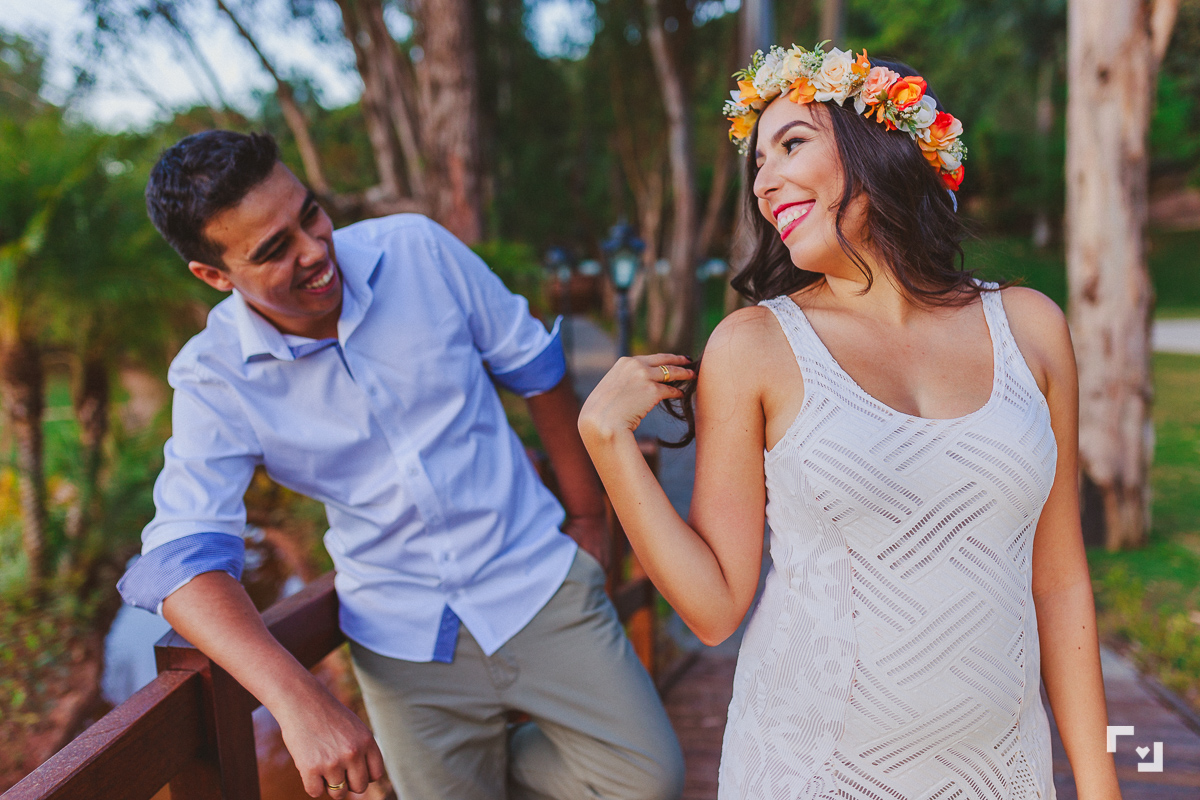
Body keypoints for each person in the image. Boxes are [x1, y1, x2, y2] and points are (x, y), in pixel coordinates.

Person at [579, 45, 1122, 799]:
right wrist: (607, 443)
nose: (765, 183)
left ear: (881, 144)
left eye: (792, 143)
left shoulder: (1031, 328)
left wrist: (1102, 785)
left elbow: (1060, 583)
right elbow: (712, 610)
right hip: (813, 770)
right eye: (757, 163)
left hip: (1000, 771)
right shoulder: (754, 346)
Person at [118, 130, 684, 800]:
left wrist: (588, 515)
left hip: (535, 580)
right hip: (401, 637)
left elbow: (535, 363)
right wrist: (300, 701)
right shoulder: (213, 377)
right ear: (215, 276)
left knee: (649, 779)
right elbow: (182, 560)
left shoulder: (415, 250)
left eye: (310, 214)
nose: (315, 250)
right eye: (273, 250)